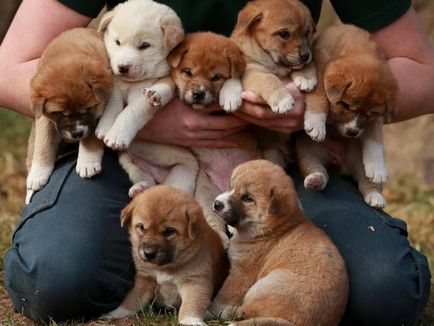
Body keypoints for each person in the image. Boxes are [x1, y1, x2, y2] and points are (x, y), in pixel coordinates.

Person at [0, 0, 432, 324]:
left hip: (276, 162)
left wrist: (314, 109)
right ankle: (164, 272)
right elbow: (9, 67)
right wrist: (148, 118)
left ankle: (220, 275)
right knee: (55, 278)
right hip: (129, 149)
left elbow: (423, 70)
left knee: (386, 294)